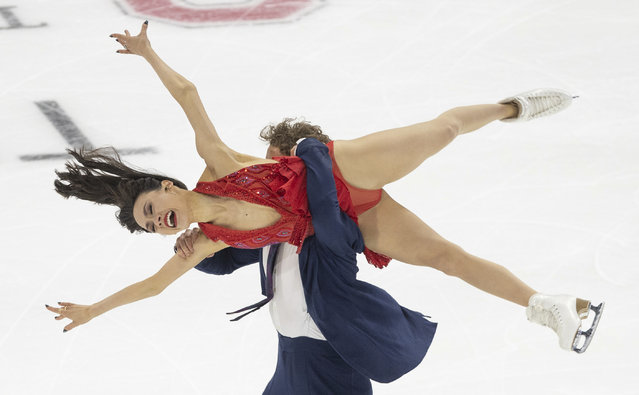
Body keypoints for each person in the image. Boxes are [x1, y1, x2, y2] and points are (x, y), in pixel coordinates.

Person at [46, 22, 603, 353]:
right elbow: (153, 287)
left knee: (443, 130)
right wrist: (94, 310)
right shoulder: (209, 239)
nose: (158, 221)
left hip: (340, 171)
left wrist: (148, 54)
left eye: (151, 207)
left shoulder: (216, 165)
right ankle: (541, 304)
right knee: (444, 257)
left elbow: (189, 95)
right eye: (150, 225)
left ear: (166, 186)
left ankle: (514, 106)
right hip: (347, 218)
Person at [194, 137, 436, 393]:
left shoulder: (330, 232)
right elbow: (227, 260)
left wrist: (310, 148)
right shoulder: (271, 231)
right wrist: (194, 250)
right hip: (287, 370)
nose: (267, 173)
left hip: (332, 374)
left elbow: (325, 200)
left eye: (278, 165)